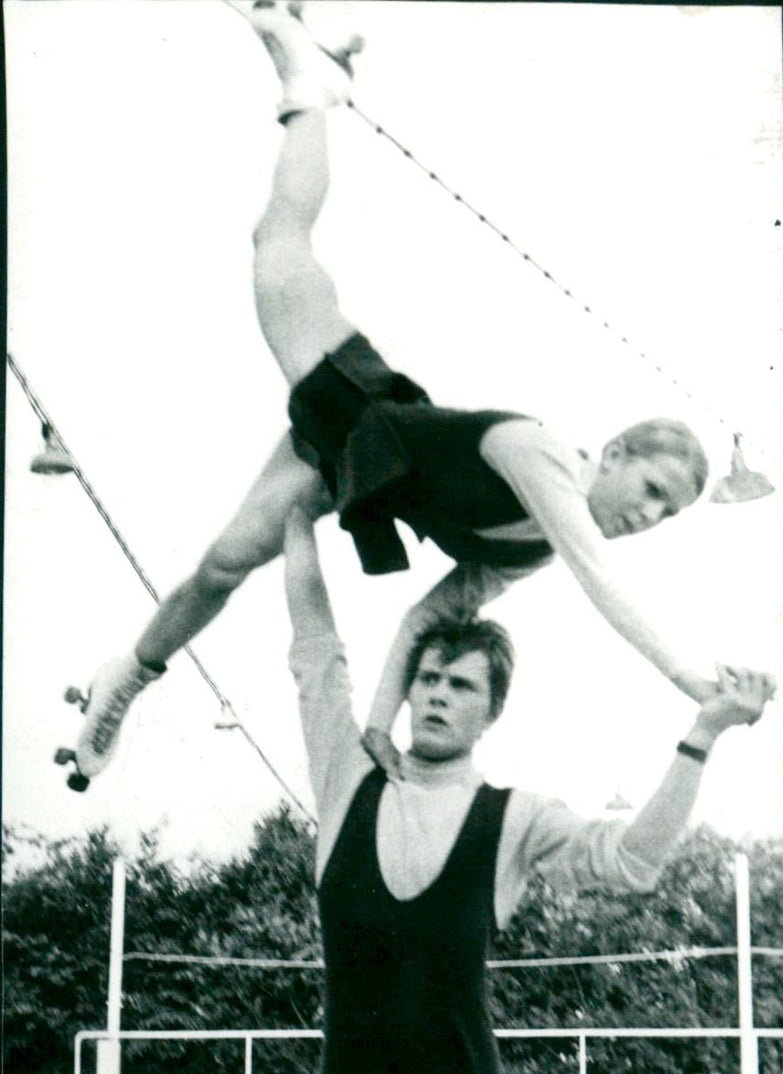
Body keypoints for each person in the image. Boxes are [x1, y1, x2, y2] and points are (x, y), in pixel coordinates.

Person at [72, 0, 736, 784]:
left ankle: (128, 675)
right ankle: (306, 87)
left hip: (348, 468)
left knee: (220, 569)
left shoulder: (531, 551)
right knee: (278, 243)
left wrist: (378, 726)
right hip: (349, 394)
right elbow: (602, 577)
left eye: (666, 515)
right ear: (616, 451)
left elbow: (429, 615)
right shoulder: (538, 456)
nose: (648, 516)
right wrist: (696, 681)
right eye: (653, 489)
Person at [281, 502, 772, 1074]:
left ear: (488, 712)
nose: (434, 692)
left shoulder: (514, 818)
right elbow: (315, 646)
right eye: (427, 676)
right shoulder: (344, 780)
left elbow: (632, 864)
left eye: (459, 684)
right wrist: (293, 514)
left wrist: (701, 735)